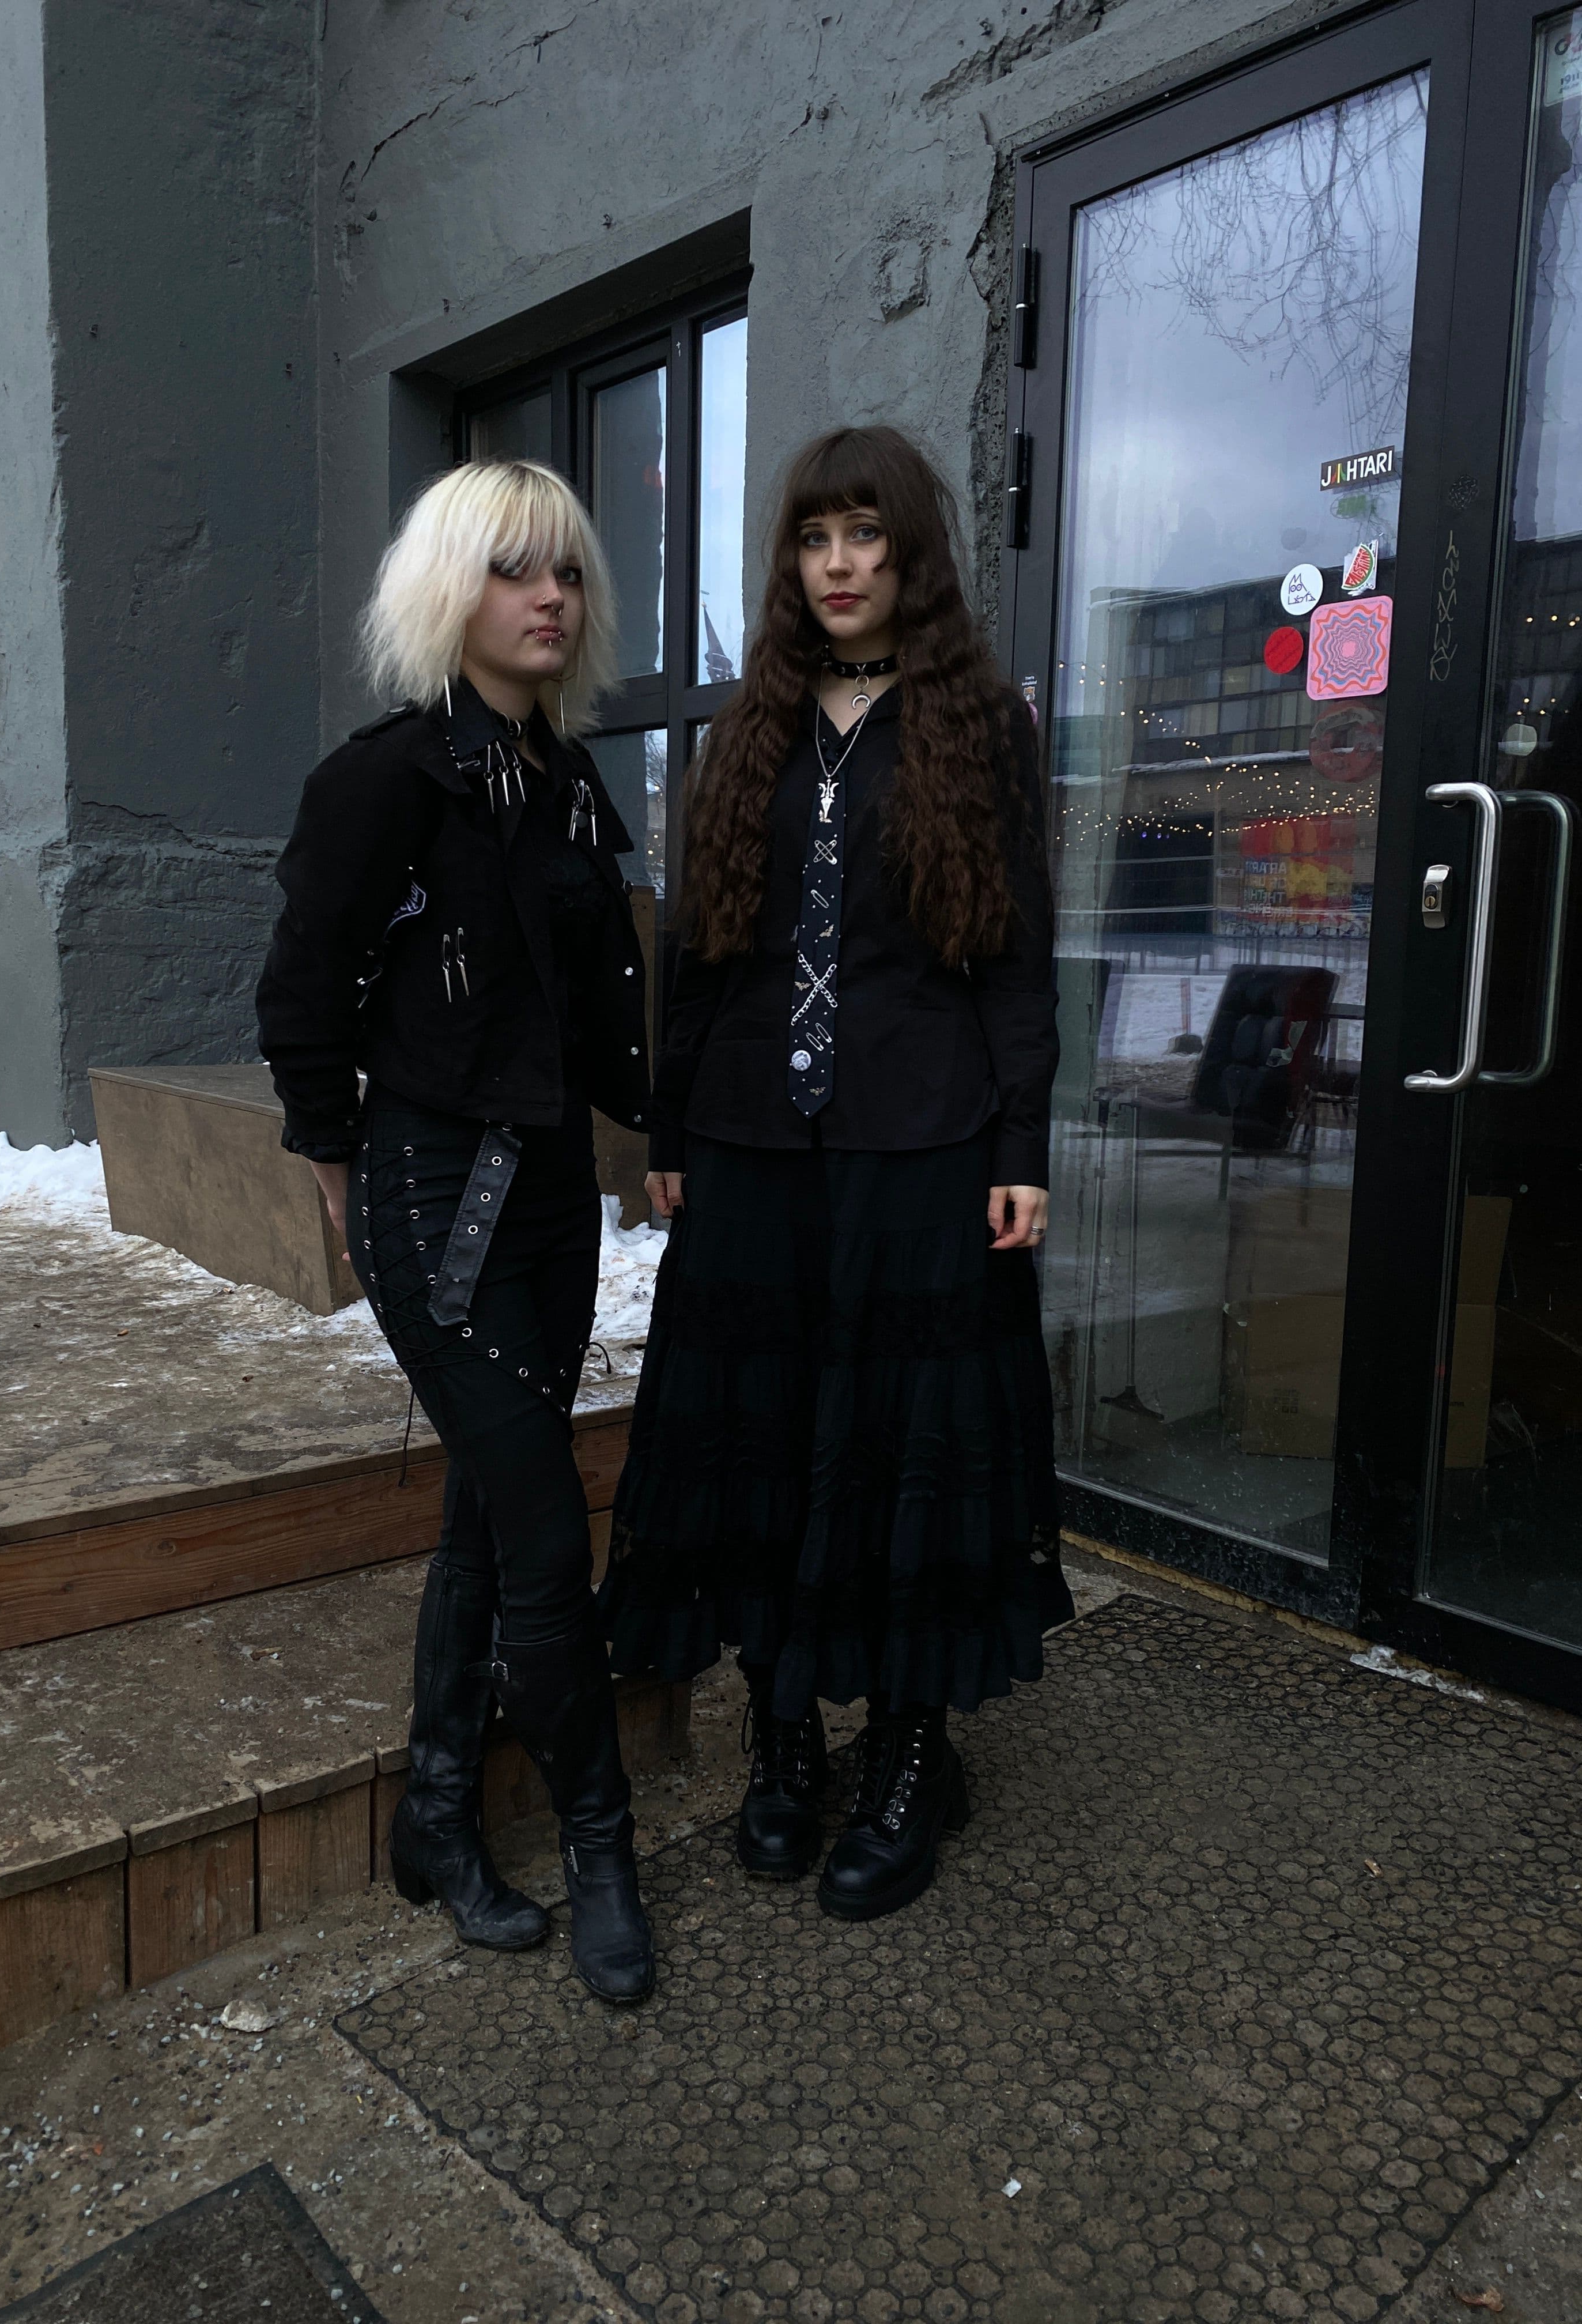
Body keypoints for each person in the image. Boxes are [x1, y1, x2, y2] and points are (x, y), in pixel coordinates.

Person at [601, 425, 1071, 1923]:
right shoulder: (750, 725)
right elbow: (696, 951)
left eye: (865, 533)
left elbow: (1016, 954)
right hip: (753, 1145)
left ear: (909, 548)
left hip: (924, 1144)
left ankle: (910, 1756)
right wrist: (673, 1130)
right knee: (763, 1440)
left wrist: (1020, 1143)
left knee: (897, 1440)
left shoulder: (979, 725)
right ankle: (785, 1739)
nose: (840, 563)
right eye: (815, 538)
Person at [256, 459, 655, 2002]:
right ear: (449, 590)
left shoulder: (566, 782)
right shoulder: (386, 780)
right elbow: (303, 987)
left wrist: (673, 1131)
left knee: (492, 1513)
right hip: (437, 1200)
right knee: (547, 1532)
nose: (549, 595)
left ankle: (436, 1813)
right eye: (512, 569)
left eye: (566, 570)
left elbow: (599, 1005)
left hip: (551, 1199)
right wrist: (333, 1158)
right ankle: (605, 1852)